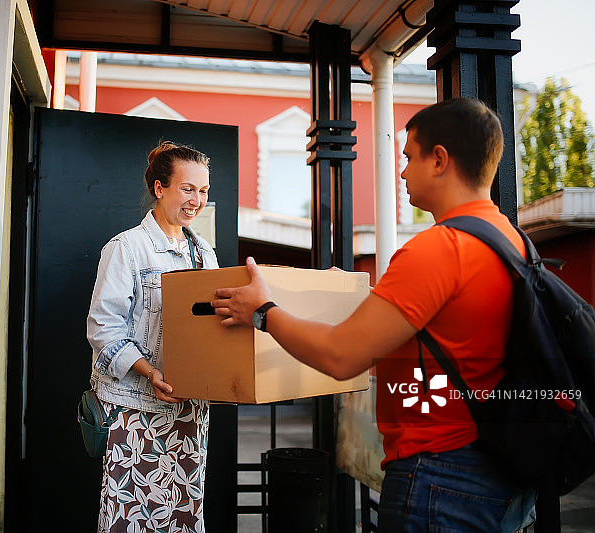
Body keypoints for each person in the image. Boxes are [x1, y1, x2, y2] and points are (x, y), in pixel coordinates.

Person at [211, 98, 535, 532]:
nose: (401, 172)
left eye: (408, 157)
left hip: (441, 477)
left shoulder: (438, 249)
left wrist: (262, 311)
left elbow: (342, 357)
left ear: (439, 160)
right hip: (498, 471)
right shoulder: (511, 242)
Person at [87, 140, 218, 533]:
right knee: (130, 519)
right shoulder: (126, 248)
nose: (197, 200)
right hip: (135, 410)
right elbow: (102, 328)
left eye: (204, 190)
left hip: (189, 409)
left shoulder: (205, 254)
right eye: (188, 188)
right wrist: (149, 372)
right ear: (160, 189)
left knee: (180, 517)